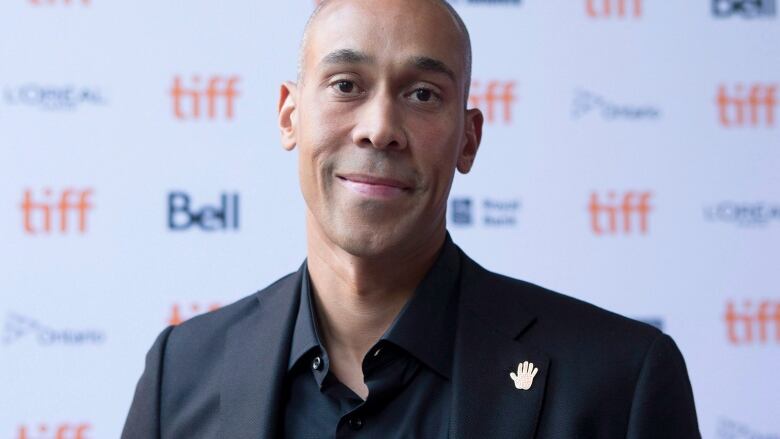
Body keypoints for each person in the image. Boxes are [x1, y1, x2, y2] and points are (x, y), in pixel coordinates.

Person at [121, 0, 701, 437]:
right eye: (346, 85)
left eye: (422, 94)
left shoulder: (620, 381)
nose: (380, 127)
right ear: (289, 116)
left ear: (468, 140)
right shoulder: (182, 372)